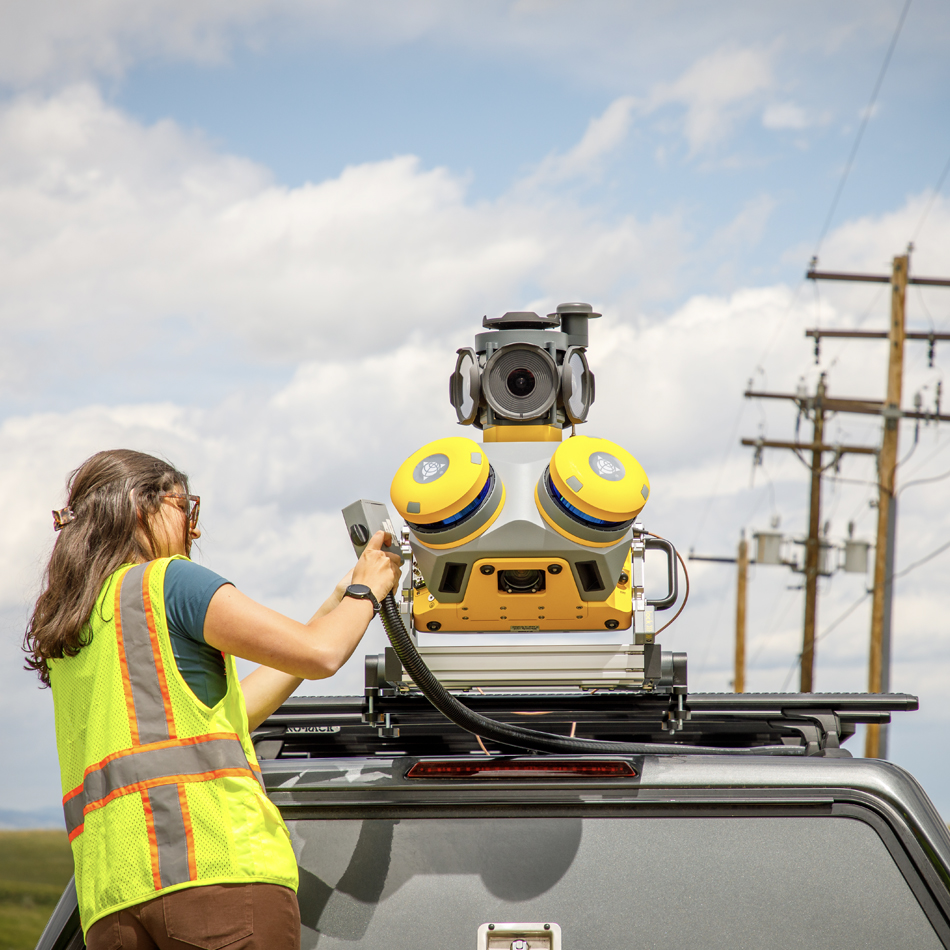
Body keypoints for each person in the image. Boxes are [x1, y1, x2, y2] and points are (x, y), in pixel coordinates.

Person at [24, 449, 401, 950]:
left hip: (112, 900)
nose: (193, 531)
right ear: (144, 508)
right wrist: (368, 593)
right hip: (217, 874)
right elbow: (323, 654)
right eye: (186, 508)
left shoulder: (73, 627)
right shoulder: (171, 581)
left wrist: (337, 601)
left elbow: (229, 715)